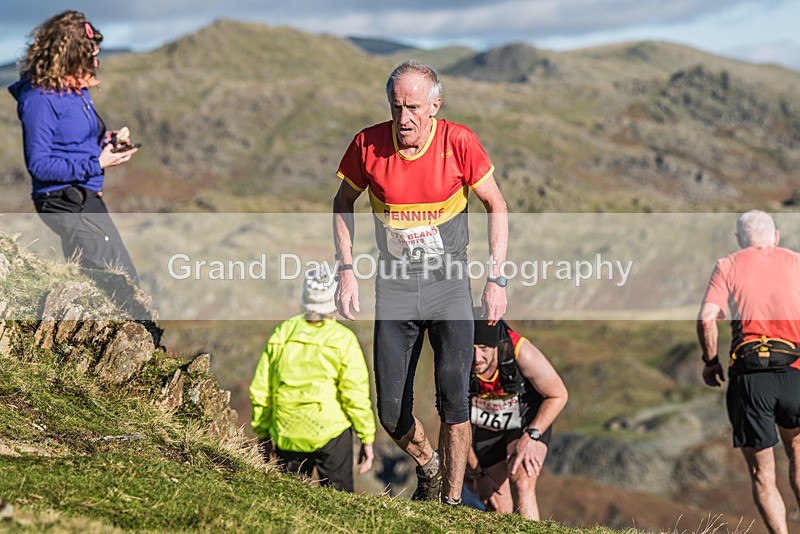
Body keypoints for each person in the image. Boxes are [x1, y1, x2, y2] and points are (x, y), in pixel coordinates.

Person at [333, 60, 509, 505]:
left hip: (449, 284)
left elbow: (496, 205)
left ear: (435, 106)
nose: (404, 118)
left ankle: (450, 503)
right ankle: (429, 465)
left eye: (413, 107)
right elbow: (342, 201)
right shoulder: (367, 144)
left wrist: (496, 277)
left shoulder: (459, 142)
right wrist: (346, 269)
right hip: (394, 286)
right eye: (396, 107)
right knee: (390, 412)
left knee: (454, 398)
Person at [8, 11, 140, 284]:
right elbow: (39, 164)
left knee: (103, 280)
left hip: (86, 194)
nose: (95, 62)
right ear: (67, 55)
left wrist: (106, 142)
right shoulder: (39, 99)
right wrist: (97, 163)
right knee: (120, 282)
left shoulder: (76, 90)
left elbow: (74, 142)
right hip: (62, 200)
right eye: (89, 56)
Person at [698, 210, 800, 534]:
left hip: (750, 379)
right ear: (776, 236)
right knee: (798, 452)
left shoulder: (728, 265)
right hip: (795, 371)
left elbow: (706, 318)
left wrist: (710, 360)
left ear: (740, 240)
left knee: (762, 475)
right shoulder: (796, 262)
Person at [249, 268, 376, 492]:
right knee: (340, 504)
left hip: (287, 433)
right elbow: (354, 395)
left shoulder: (283, 333)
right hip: (331, 434)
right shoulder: (343, 339)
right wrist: (366, 437)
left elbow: (262, 389)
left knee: (291, 500)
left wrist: (263, 432)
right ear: (333, 302)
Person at [464, 312, 567, 519]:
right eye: (471, 349)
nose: (477, 358)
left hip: (525, 422)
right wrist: (477, 474)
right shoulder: (455, 360)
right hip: (485, 426)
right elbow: (455, 424)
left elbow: (558, 394)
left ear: (495, 345)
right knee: (498, 507)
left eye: (484, 349)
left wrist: (532, 436)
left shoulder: (521, 351)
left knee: (522, 485)